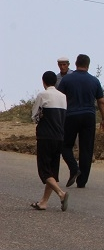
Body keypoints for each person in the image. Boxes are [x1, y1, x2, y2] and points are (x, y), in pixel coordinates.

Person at [58, 54, 104, 188]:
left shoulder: (67, 79)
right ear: (88, 65)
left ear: (75, 64)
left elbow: (59, 98)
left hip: (71, 116)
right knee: (86, 149)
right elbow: (101, 102)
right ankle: (82, 181)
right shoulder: (94, 80)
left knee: (65, 146)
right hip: (88, 116)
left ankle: (74, 168)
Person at [30, 71, 70, 211]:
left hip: (46, 136)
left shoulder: (43, 95)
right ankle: (43, 202)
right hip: (59, 136)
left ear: (44, 82)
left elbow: (34, 115)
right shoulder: (63, 97)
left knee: (44, 171)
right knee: (52, 170)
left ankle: (61, 193)